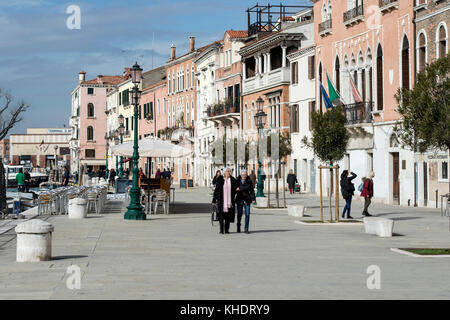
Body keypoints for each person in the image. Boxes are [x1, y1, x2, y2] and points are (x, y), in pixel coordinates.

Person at [212, 167, 237, 234]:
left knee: (228, 217)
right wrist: (214, 200)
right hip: (221, 201)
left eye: (229, 171)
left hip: (229, 202)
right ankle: (221, 229)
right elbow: (216, 190)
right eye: (227, 171)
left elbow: (236, 190)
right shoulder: (220, 179)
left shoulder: (233, 180)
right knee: (220, 216)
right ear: (224, 173)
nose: (229, 173)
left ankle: (226, 229)